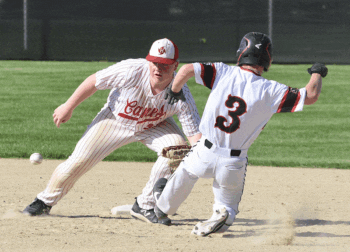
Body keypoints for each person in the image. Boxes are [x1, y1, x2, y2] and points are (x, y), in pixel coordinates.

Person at [152, 32, 328, 235]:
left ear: (242, 52)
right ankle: (221, 215)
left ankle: (163, 208)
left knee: (184, 175)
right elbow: (311, 95)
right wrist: (317, 72)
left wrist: (174, 90)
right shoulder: (272, 90)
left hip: (203, 152)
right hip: (233, 163)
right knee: (228, 209)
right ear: (267, 58)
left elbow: (186, 69)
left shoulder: (222, 72)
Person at [23, 38, 202, 225]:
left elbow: (194, 137)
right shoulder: (132, 70)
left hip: (155, 125)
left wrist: (203, 156)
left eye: (165, 65)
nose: (158, 68)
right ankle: (44, 201)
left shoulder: (182, 95)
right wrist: (68, 106)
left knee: (177, 150)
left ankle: (144, 205)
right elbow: (94, 81)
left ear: (175, 66)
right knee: (78, 162)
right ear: (149, 61)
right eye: (155, 63)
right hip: (115, 120)